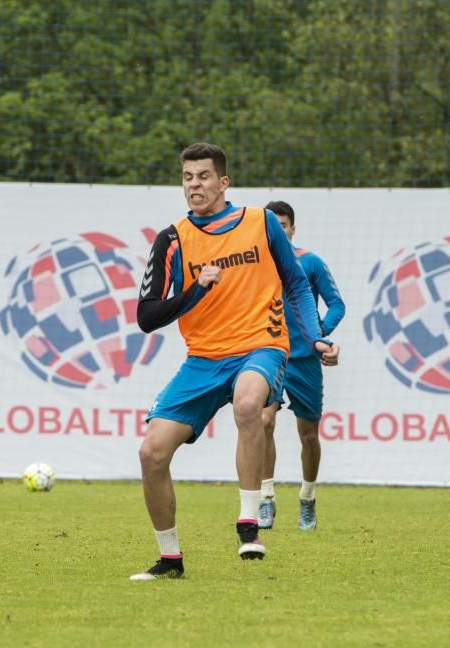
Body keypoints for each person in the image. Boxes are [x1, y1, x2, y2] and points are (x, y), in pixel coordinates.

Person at [129, 143, 339, 581]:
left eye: (204, 176)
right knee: (151, 453)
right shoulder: (172, 239)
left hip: (262, 343)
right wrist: (198, 291)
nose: (194, 185)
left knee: (249, 406)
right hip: (204, 358)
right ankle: (170, 559)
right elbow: (147, 317)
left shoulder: (261, 222)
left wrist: (316, 338)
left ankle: (249, 522)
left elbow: (297, 286)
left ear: (223, 182)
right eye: (187, 177)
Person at [258, 201, 345, 531]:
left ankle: (307, 499)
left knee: (308, 435)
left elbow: (337, 304)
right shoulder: (255, 265)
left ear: (292, 229)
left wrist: (319, 335)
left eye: (284, 224)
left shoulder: (309, 262)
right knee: (264, 421)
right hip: (269, 355)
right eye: (272, 225)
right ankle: (266, 499)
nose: (278, 230)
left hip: (305, 361)